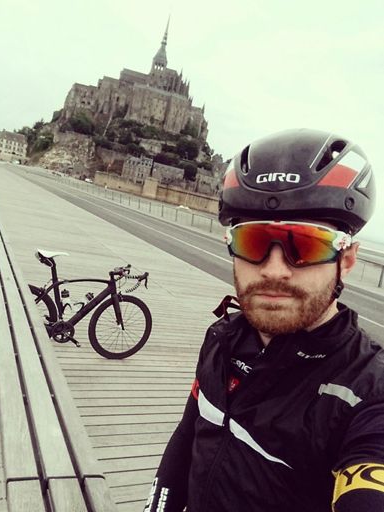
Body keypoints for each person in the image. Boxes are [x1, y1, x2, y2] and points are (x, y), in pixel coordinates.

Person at [144, 128, 382, 512]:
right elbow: (187, 437)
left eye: (306, 245)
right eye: (253, 242)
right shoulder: (221, 339)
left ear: (347, 260)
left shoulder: (369, 393)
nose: (274, 270)